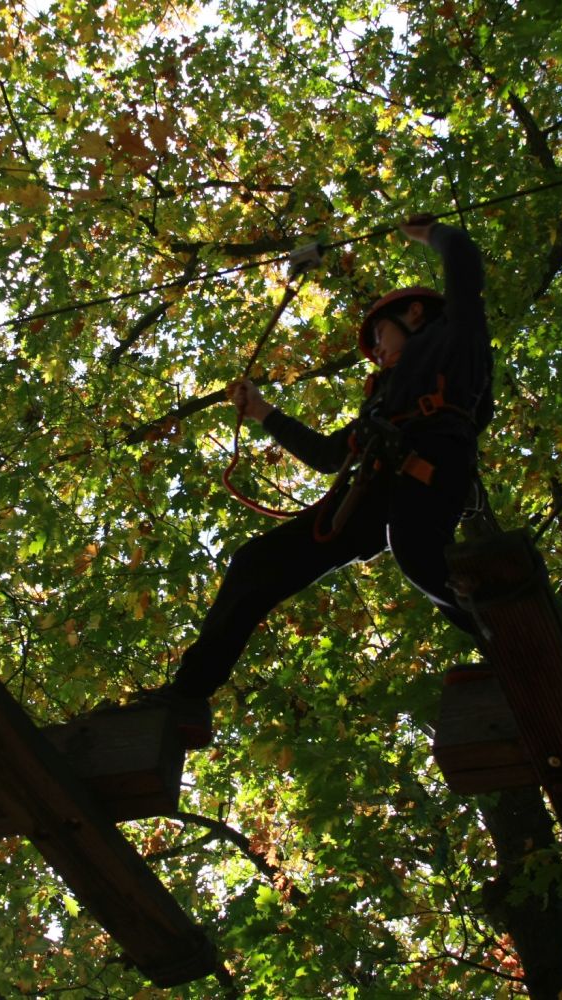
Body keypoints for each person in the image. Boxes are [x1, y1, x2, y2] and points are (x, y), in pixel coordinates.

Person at [142, 215, 494, 748]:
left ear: (415, 313)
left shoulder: (454, 338)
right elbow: (331, 456)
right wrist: (263, 412)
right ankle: (189, 695)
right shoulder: (385, 400)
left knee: (419, 555)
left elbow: (464, 267)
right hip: (372, 492)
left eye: (379, 335)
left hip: (431, 470)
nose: (375, 351)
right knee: (255, 563)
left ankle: (508, 646)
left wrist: (433, 234)